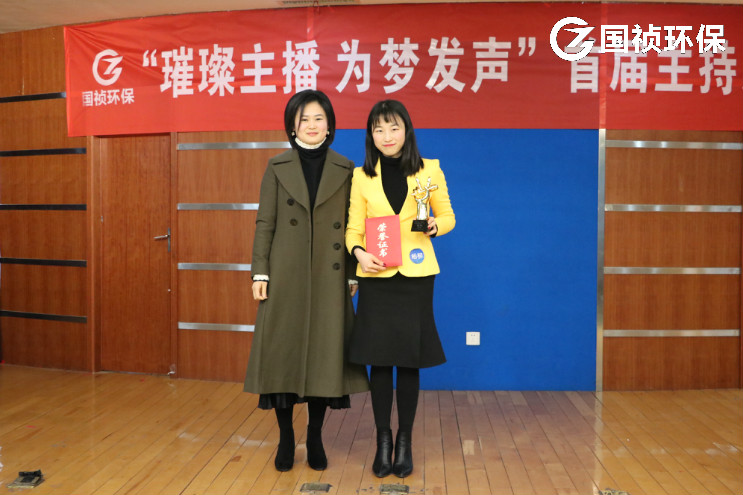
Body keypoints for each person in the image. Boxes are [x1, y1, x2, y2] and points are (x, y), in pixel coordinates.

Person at [244, 89, 369, 472]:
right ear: (292, 126)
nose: (311, 126)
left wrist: (353, 274)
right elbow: (265, 221)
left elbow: (354, 225)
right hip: (285, 274)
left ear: (329, 125)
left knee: (323, 360)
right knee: (281, 357)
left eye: (318, 118)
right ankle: (285, 437)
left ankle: (314, 436)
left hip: (330, 276)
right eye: (304, 119)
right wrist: (260, 271)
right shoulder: (276, 166)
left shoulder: (346, 168)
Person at [345, 100, 455, 478]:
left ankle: (404, 441)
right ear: (370, 136)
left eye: (393, 128)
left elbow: (448, 216)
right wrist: (359, 254)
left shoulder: (429, 169)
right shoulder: (361, 177)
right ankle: (383, 440)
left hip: (416, 275)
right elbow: (353, 230)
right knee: (379, 359)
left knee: (409, 359)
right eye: (379, 129)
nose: (387, 136)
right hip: (376, 277)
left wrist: (435, 227)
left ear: (406, 131)